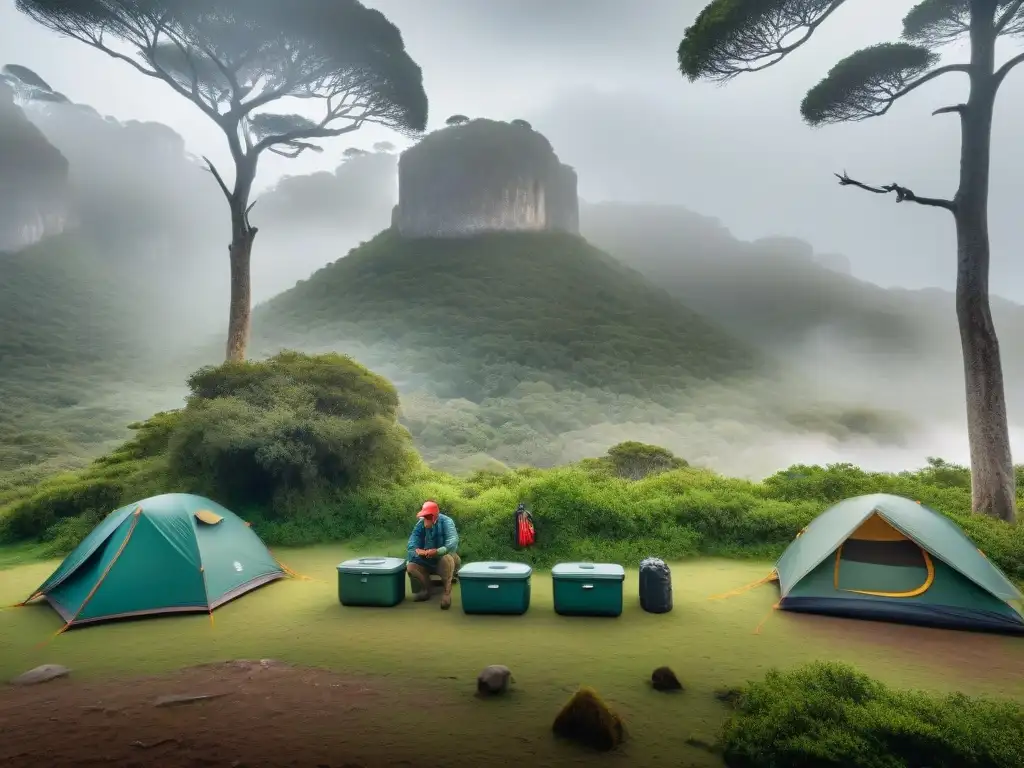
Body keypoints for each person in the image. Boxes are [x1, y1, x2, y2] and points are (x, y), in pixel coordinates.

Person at [406, 500, 461, 610]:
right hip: (427, 558)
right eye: (424, 516)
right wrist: (418, 551)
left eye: (428, 516)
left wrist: (437, 551)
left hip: (444, 556)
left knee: (447, 559)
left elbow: (452, 541)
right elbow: (413, 540)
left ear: (434, 516)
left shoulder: (446, 522)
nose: (425, 519)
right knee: (411, 566)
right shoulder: (421, 524)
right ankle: (427, 589)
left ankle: (446, 593)